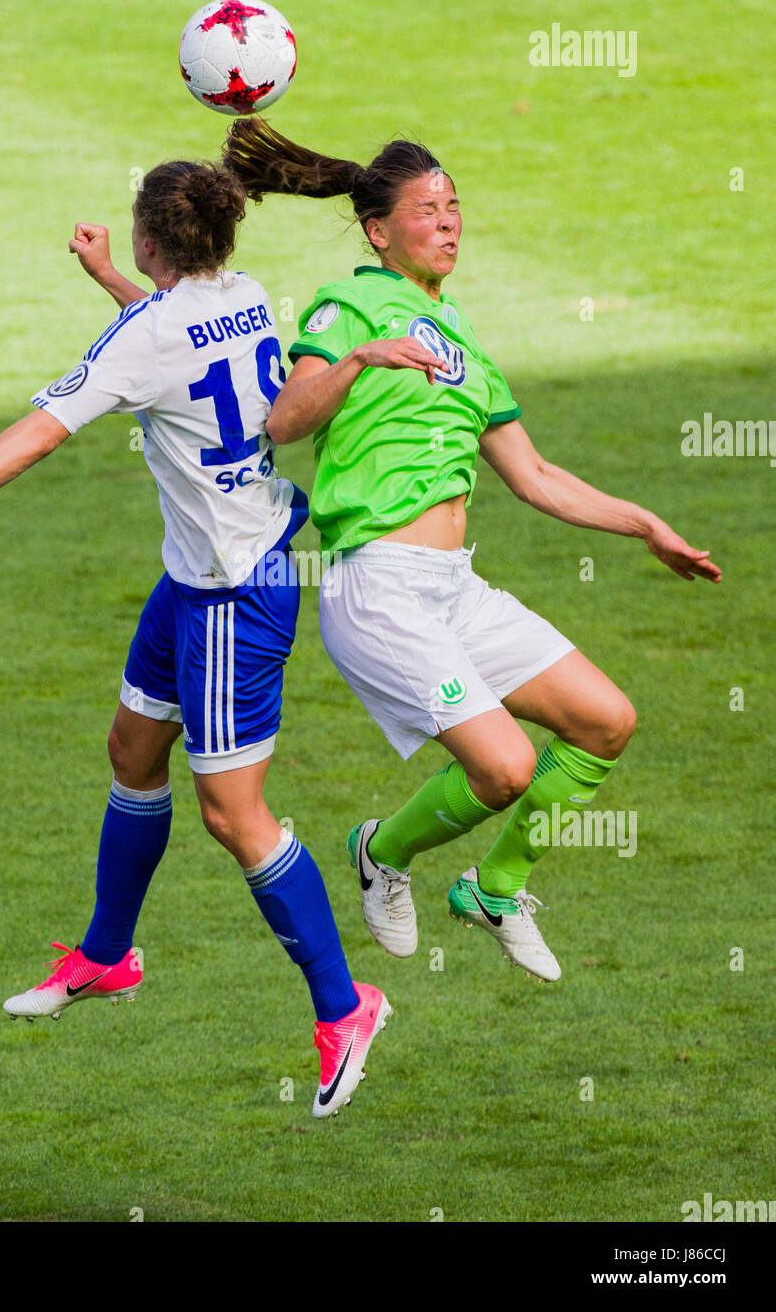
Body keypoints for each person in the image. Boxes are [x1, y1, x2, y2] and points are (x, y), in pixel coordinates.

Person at [0, 158, 390, 1117]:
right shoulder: (243, 295)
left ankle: (346, 1008)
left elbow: (44, 428)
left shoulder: (147, 332)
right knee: (132, 752)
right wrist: (111, 284)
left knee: (235, 818)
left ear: (148, 239)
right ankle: (106, 956)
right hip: (193, 581)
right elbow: (174, 349)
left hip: (232, 595)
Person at [223, 118, 721, 981]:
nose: (449, 221)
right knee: (505, 768)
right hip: (377, 585)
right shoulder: (350, 306)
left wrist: (644, 526)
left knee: (605, 722)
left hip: (453, 587)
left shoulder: (464, 342)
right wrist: (358, 361)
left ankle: (496, 887)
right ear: (379, 231)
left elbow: (533, 475)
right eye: (427, 208)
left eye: (455, 206)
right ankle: (382, 851)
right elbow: (282, 423)